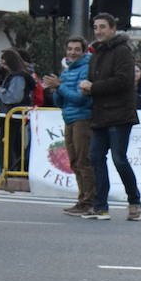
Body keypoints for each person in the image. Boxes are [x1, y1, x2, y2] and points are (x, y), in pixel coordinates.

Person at [80, 13, 141, 222]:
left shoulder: (122, 51)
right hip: (100, 113)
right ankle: (100, 206)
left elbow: (124, 81)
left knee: (119, 159)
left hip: (119, 114)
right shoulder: (96, 52)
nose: (98, 31)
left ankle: (134, 201)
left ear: (113, 28)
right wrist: (87, 88)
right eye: (96, 27)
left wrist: (93, 87)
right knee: (95, 158)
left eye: (102, 27)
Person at [42, 36, 97, 216]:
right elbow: (61, 102)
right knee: (74, 161)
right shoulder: (66, 72)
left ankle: (89, 201)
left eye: (77, 49)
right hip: (69, 118)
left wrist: (59, 87)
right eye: (70, 49)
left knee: (83, 161)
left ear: (84, 51)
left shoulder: (86, 69)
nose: (73, 52)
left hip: (83, 119)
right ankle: (82, 199)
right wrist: (55, 89)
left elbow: (80, 99)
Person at [0, 48, 35, 182]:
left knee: (6, 144)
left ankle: (8, 172)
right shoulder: (19, 75)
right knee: (14, 144)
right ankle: (12, 171)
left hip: (12, 116)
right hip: (13, 117)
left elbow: (14, 96)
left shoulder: (18, 77)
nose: (1, 62)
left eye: (3, 59)